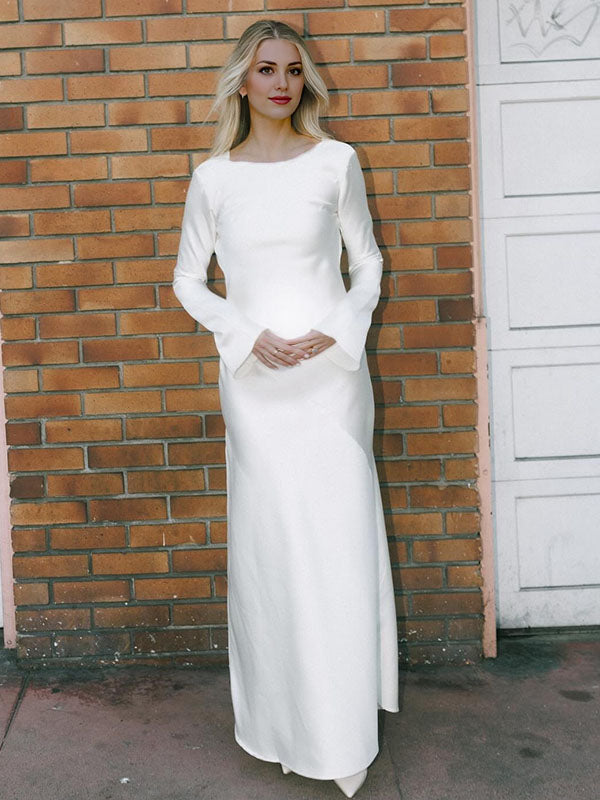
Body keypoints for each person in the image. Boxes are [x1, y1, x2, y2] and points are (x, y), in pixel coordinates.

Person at [172, 19, 399, 799]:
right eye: (267, 69)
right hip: (256, 385)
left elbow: (368, 261)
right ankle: (281, 723)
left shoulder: (336, 162)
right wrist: (246, 336)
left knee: (336, 544)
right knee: (275, 551)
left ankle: (342, 732)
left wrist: (336, 330)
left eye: (293, 71)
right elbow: (187, 280)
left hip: (331, 381)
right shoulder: (214, 179)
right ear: (243, 81)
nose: (282, 83)